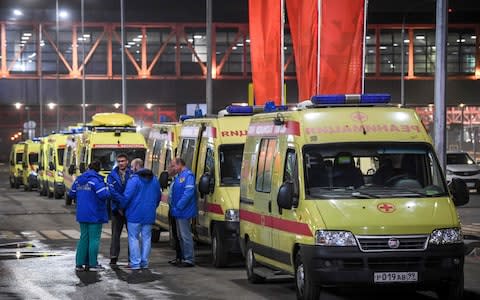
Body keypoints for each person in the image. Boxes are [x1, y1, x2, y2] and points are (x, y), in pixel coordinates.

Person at [69, 160, 110, 272]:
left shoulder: (79, 180)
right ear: (98, 169)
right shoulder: (96, 180)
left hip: (82, 213)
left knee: (83, 238)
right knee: (94, 239)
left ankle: (79, 264)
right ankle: (92, 264)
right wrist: (108, 189)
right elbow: (103, 195)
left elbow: (71, 193)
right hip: (95, 213)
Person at [120, 158, 161, 270]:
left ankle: (135, 262)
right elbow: (158, 197)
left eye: (132, 167)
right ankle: (144, 262)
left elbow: (127, 196)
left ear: (137, 166)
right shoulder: (154, 180)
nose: (131, 169)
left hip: (134, 214)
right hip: (149, 214)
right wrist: (152, 208)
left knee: (133, 238)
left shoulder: (134, 180)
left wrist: (122, 207)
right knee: (147, 238)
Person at [171, 157, 197, 267]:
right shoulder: (179, 176)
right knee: (180, 235)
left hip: (184, 211)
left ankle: (189, 259)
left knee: (185, 235)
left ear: (179, 164)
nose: (173, 168)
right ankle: (183, 257)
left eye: (173, 166)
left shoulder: (188, 176)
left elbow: (189, 192)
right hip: (178, 211)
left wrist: (179, 206)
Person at [107, 153, 132, 266]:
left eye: (123, 161)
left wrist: (124, 204)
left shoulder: (132, 174)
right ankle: (113, 257)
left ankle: (132, 258)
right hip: (116, 209)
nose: (121, 163)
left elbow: (133, 191)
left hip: (129, 209)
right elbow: (112, 192)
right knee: (115, 235)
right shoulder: (112, 175)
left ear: (127, 162)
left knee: (132, 235)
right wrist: (121, 204)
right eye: (119, 161)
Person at [166, 162, 182, 265]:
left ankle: (181, 257)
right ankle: (178, 257)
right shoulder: (174, 180)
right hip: (172, 209)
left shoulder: (180, 179)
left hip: (177, 210)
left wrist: (177, 207)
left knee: (180, 235)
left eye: (171, 167)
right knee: (175, 234)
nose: (168, 169)